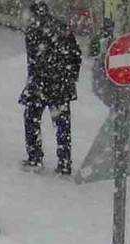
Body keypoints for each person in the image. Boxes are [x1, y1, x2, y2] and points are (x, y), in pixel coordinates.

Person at [20, 1, 83, 175]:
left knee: (32, 119)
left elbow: (33, 61)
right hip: (61, 86)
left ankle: (35, 157)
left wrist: (34, 81)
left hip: (40, 84)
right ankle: (64, 162)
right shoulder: (62, 28)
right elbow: (76, 55)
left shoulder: (33, 31)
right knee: (62, 125)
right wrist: (70, 77)